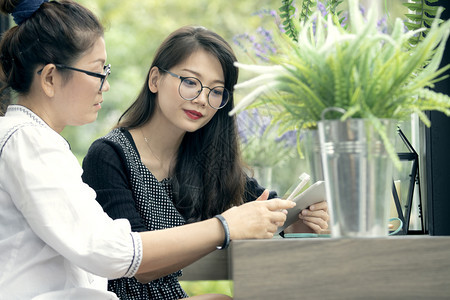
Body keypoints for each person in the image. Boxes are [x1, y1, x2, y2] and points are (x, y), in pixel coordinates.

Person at [0, 1, 296, 299]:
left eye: (216, 91)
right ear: (50, 78)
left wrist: (288, 219)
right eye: (97, 72)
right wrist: (225, 226)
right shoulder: (29, 142)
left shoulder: (35, 141)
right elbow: (112, 251)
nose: (105, 85)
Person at [82, 25, 329, 299]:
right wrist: (226, 226)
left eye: (216, 91)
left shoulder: (205, 159)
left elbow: (262, 202)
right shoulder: (109, 155)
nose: (202, 99)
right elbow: (137, 263)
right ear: (155, 79)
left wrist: (298, 220)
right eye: (190, 82)